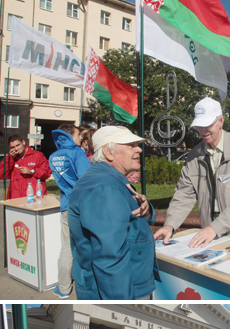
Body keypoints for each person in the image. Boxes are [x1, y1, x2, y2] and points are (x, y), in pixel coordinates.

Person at [154, 97, 230, 249]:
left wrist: (215, 227)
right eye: (199, 125)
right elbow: (185, 193)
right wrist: (170, 225)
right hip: (210, 228)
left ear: (221, 121)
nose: (202, 130)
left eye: (207, 124)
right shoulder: (194, 156)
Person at [68, 125, 160, 300]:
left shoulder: (109, 180)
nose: (139, 149)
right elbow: (109, 257)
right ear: (109, 153)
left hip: (130, 285)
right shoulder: (104, 187)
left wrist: (146, 208)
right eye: (130, 145)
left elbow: (128, 218)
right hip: (124, 291)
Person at [49, 123, 91, 299]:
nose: (80, 138)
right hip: (83, 205)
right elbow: (88, 180)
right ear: (69, 135)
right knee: (87, 245)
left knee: (66, 247)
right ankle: (87, 285)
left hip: (66, 205)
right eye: (77, 135)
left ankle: (64, 288)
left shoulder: (53, 157)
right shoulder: (77, 153)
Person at [0, 135, 51, 199]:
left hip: (34, 195)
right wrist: (10, 159)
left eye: (18, 145)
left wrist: (32, 171)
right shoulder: (10, 158)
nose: (16, 149)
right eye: (13, 147)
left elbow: (47, 173)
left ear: (23, 142)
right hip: (16, 196)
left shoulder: (37, 155)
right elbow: (2, 175)